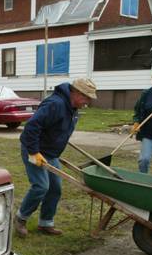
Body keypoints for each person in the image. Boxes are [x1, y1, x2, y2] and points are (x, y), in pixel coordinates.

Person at [14, 78, 97, 237]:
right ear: (76, 93)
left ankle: (45, 223)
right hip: (35, 150)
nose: (87, 102)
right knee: (41, 186)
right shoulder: (55, 104)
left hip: (51, 153)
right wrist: (33, 152)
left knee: (55, 188)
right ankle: (21, 218)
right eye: (86, 97)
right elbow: (31, 127)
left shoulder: (72, 108)